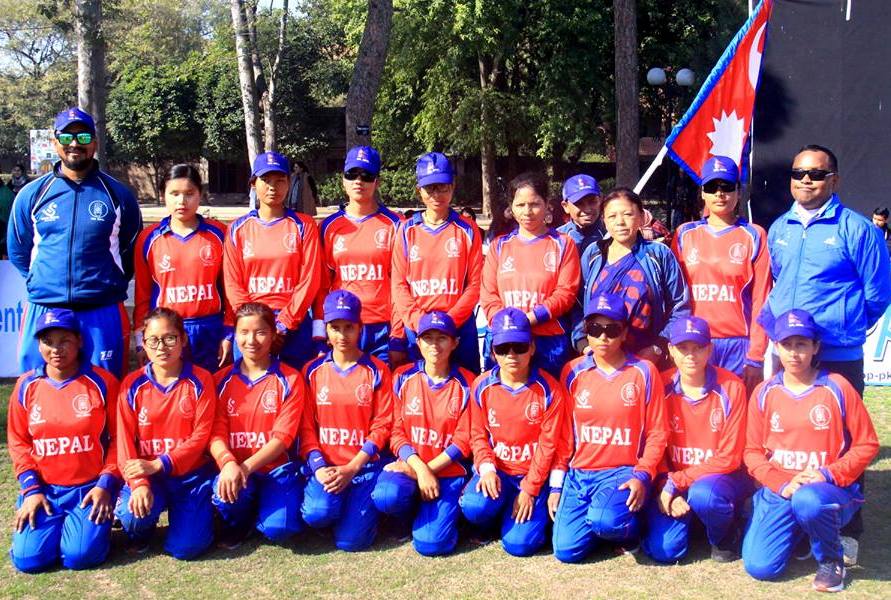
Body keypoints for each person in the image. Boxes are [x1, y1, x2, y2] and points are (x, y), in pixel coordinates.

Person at [742, 309, 879, 592]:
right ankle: (802, 532)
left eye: (802, 344)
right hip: (782, 489)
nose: (794, 353)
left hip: (825, 491)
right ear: (776, 347)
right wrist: (781, 483)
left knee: (809, 502)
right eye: (787, 344)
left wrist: (828, 474)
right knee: (760, 567)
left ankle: (831, 560)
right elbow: (751, 452)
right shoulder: (765, 392)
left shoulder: (837, 387)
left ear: (815, 347)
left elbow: (867, 443)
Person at [7, 108, 143, 378]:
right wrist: (44, 281)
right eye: (66, 136)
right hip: (46, 307)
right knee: (37, 390)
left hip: (100, 310)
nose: (74, 144)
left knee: (105, 391)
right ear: (55, 141)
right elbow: (19, 250)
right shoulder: (32, 194)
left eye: (83, 137)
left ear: (94, 142)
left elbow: (131, 250)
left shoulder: (117, 195)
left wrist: (103, 282)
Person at [760, 144, 891, 397]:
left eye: (816, 174)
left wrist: (843, 324)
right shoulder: (779, 228)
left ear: (835, 181)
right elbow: (780, 279)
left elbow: (877, 295)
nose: (806, 179)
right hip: (787, 353)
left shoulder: (859, 230)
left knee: (839, 433)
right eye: (798, 173)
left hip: (837, 354)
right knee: (787, 433)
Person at [553, 293, 667, 563]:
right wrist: (557, 485)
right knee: (565, 551)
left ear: (625, 333)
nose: (603, 337)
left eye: (612, 329)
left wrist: (642, 475)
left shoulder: (644, 371)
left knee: (605, 520)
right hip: (581, 475)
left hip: (622, 472)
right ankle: (603, 521)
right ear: (586, 331)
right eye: (595, 329)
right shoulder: (572, 372)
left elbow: (657, 433)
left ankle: (627, 526)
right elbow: (564, 436)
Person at [7, 309, 120, 572]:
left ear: (79, 341)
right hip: (45, 489)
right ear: (38, 344)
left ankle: (87, 531)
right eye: (48, 341)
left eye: (64, 340)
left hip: (89, 489)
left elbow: (119, 442)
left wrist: (105, 484)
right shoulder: (27, 386)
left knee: (80, 556)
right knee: (29, 561)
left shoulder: (102, 383)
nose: (56, 349)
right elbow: (18, 442)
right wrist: (32, 491)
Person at [641, 316, 752, 564]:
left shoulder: (732, 387)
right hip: (673, 482)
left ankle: (725, 535)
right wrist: (663, 485)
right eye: (683, 348)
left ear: (710, 349)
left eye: (698, 347)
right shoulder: (660, 384)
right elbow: (653, 442)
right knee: (666, 551)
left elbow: (730, 457)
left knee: (705, 495)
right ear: (671, 350)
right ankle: (690, 524)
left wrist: (677, 481)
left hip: (718, 479)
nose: (691, 355)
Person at [460, 307, 568, 557]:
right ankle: (499, 515)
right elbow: (477, 435)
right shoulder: (481, 386)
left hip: (532, 477)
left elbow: (548, 445)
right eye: (503, 348)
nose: (511, 355)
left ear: (531, 347)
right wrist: (486, 469)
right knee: (473, 507)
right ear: (493, 351)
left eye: (519, 347)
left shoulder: (549, 390)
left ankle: (531, 517)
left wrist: (530, 489)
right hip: (499, 474)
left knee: (519, 545)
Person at [115, 307, 217, 559]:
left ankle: (196, 515)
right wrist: (138, 484)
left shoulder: (201, 380)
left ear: (183, 339)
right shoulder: (131, 384)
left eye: (169, 338)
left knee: (187, 548)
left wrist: (159, 464)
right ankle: (140, 532)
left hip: (190, 477)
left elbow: (201, 436)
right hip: (149, 477)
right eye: (153, 340)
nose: (161, 347)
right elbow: (124, 440)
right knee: (133, 517)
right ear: (144, 344)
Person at [372, 311, 474, 556]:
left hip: (448, 473)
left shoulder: (468, 383)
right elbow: (396, 433)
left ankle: (446, 515)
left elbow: (463, 442)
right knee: (386, 496)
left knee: (432, 545)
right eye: (428, 338)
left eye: (442, 338)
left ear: (455, 343)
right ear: (417, 343)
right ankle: (407, 513)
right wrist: (419, 469)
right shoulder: (402, 377)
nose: (434, 345)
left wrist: (428, 471)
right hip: (410, 467)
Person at [299, 290, 394, 551]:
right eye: (335, 328)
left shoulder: (377, 371)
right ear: (326, 330)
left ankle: (364, 508)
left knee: (351, 542)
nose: (342, 335)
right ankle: (332, 505)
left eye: (349, 327)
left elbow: (382, 426)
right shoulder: (311, 371)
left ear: (360, 328)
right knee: (317, 514)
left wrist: (353, 467)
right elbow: (306, 428)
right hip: (327, 467)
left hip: (363, 468)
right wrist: (319, 468)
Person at [210, 302, 307, 548]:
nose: (251, 340)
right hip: (235, 468)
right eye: (243, 332)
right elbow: (215, 433)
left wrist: (246, 467)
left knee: (280, 529)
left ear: (273, 335)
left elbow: (283, 438)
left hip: (276, 471)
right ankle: (239, 521)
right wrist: (229, 464)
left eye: (260, 332)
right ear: (235, 335)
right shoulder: (219, 381)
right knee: (226, 495)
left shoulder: (291, 378)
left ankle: (264, 509)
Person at [672, 156, 771, 390]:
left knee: (735, 418)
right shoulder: (684, 234)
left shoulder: (755, 235)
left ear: (738, 191)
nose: (720, 193)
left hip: (738, 346)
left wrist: (756, 355)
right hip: (692, 342)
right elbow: (674, 296)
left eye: (727, 186)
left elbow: (762, 300)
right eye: (712, 187)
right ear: (703, 193)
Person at [224, 150, 322, 369]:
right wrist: (255, 324)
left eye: (280, 180)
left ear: (288, 183)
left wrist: (284, 325)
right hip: (250, 324)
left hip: (293, 326)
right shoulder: (237, 229)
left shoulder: (304, 226)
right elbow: (233, 284)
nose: (272, 187)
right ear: (253, 184)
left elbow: (310, 279)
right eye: (265, 180)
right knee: (251, 393)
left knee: (295, 391)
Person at [134, 164, 231, 373]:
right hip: (165, 332)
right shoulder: (148, 239)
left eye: (189, 193)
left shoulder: (220, 234)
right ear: (163, 195)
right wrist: (140, 339)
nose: (181, 201)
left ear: (200, 195)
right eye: (174, 193)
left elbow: (230, 290)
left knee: (210, 390)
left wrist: (228, 332)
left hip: (209, 329)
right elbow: (142, 294)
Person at [391, 152, 483, 373]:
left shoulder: (467, 229)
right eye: (430, 188)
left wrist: (450, 322)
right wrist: (418, 322)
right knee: (420, 393)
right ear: (419, 191)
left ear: (452, 186)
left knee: (465, 389)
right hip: (418, 328)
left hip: (459, 326)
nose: (437, 194)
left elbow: (476, 283)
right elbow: (398, 284)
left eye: (443, 186)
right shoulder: (406, 230)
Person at [481, 172, 580, 376]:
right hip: (504, 339)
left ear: (547, 205)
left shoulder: (563, 244)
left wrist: (531, 318)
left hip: (548, 340)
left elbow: (566, 293)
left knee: (548, 399)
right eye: (520, 205)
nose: (527, 211)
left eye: (534, 204)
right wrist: (508, 325)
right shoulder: (499, 246)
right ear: (512, 208)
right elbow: (488, 295)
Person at [576, 187, 690, 364]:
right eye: (612, 216)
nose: (620, 222)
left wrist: (658, 347)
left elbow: (679, 306)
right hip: (599, 355)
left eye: (628, 214)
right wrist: (583, 343)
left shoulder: (659, 254)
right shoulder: (594, 254)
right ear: (604, 220)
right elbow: (578, 303)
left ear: (641, 217)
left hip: (646, 356)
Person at [313, 146, 403, 363]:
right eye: (352, 174)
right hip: (342, 325)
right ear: (343, 180)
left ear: (377, 182)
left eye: (367, 175)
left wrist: (398, 335)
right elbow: (322, 285)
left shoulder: (397, 225)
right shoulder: (328, 227)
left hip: (383, 327)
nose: (358, 181)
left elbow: (401, 285)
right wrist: (319, 332)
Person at [558, 174, 604, 256]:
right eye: (579, 203)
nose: (587, 209)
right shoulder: (557, 238)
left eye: (592, 201)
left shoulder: (611, 235)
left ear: (600, 200)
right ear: (566, 206)